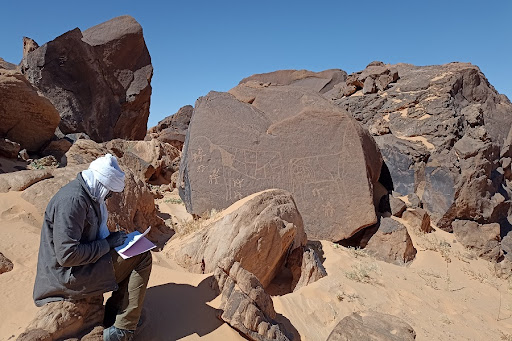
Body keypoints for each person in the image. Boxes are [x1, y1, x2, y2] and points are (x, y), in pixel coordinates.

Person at [33, 154, 152, 341]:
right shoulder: (73, 201)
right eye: (110, 192)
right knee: (142, 256)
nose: (110, 196)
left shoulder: (87, 195)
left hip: (76, 269)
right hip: (65, 278)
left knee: (135, 250)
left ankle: (115, 313)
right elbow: (67, 255)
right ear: (102, 183)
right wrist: (108, 244)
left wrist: (113, 240)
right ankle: (123, 330)